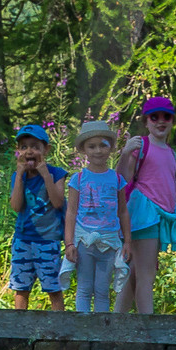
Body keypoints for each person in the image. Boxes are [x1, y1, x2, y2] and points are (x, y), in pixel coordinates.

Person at [115, 96, 176, 314]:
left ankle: (117, 321)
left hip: (158, 214)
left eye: (166, 117)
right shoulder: (141, 146)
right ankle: (148, 327)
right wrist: (125, 152)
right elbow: (122, 178)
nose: (160, 121)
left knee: (136, 271)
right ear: (146, 121)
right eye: (154, 117)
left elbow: (169, 189)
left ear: (172, 121)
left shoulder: (170, 152)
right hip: (144, 213)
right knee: (146, 273)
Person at [64, 120, 132, 315]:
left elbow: (123, 211)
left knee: (102, 290)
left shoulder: (117, 179)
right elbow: (71, 212)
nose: (98, 151)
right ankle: (83, 331)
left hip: (110, 241)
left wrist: (127, 241)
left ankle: (101, 331)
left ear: (110, 148)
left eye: (103, 145)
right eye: (92, 146)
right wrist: (69, 243)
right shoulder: (78, 179)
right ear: (84, 150)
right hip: (85, 240)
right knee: (84, 288)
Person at [8, 123, 67, 310]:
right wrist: (19, 176)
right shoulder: (18, 176)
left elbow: (58, 202)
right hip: (23, 240)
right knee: (21, 289)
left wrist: (45, 174)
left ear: (46, 149)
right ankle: (19, 332)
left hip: (48, 241)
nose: (29, 151)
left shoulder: (57, 173)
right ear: (18, 151)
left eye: (35, 146)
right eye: (24, 147)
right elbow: (16, 206)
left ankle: (60, 333)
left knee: (53, 288)